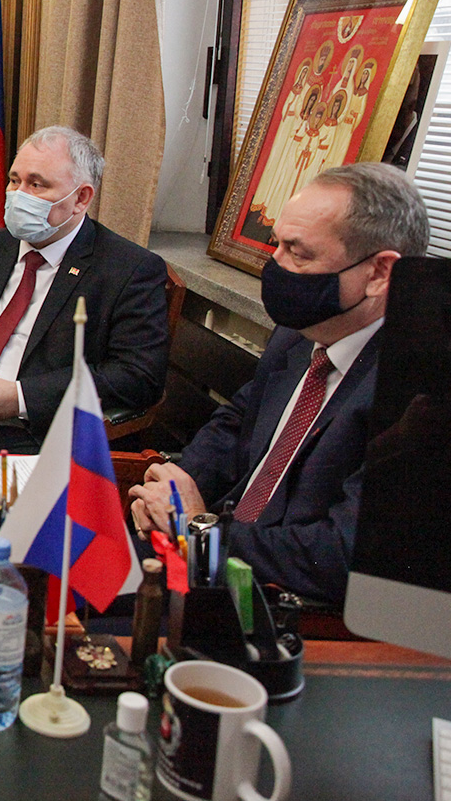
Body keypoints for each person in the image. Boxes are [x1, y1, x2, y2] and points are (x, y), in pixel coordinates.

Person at [130, 163, 429, 604]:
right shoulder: (302, 331)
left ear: (380, 273)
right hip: (211, 552)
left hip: (276, 601)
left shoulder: (417, 391)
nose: (275, 266)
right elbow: (238, 421)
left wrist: (199, 531)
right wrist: (172, 490)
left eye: (297, 252)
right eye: (277, 244)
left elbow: (341, 554)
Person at [0, 126, 170, 454]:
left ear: (81, 198)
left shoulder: (128, 268)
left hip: (34, 436)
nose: (18, 195)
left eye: (36, 184)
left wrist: (20, 398)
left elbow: (137, 375)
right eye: (14, 180)